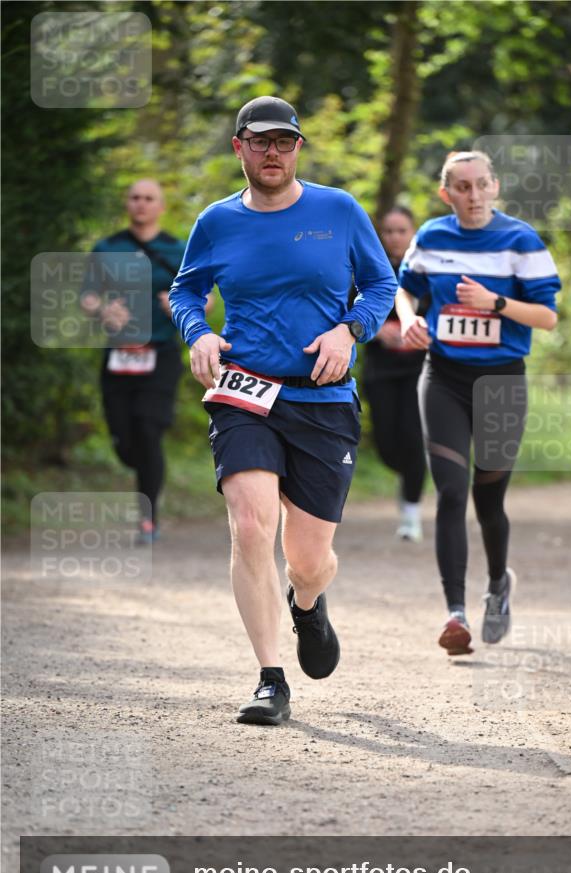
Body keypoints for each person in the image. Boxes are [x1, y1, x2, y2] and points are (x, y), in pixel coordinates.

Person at [169, 96, 397, 725]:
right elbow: (186, 288)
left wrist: (349, 331)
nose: (273, 152)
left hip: (322, 400)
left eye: (284, 142)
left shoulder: (339, 210)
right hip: (246, 393)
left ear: (298, 148)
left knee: (308, 557)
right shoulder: (216, 221)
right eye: (260, 141)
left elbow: (382, 285)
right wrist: (199, 334)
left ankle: (307, 602)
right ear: (238, 147)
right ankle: (271, 678)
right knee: (250, 526)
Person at [396, 150, 561, 655]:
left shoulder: (521, 242)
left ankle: (496, 586)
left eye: (480, 185)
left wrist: (495, 303)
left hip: (502, 382)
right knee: (449, 490)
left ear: (494, 187)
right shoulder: (431, 235)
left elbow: (547, 318)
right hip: (443, 377)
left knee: (488, 500)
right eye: (461, 187)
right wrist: (407, 319)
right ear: (447, 194)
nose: (471, 195)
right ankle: (455, 613)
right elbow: (403, 290)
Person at [81, 180, 211, 542]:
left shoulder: (178, 249)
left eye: (148, 198)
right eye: (135, 198)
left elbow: (207, 300)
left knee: (148, 430)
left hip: (160, 354)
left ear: (161, 206)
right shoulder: (107, 248)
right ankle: (147, 472)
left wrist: (183, 307)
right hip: (117, 354)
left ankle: (148, 519)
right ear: (127, 203)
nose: (141, 204)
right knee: (125, 441)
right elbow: (87, 297)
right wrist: (103, 309)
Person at [363, 207, 427, 542]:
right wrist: (376, 332)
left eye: (402, 230)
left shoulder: (428, 270)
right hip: (381, 369)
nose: (395, 237)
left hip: (421, 371)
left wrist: (420, 330)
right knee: (387, 445)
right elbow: (346, 314)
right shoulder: (368, 270)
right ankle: (411, 473)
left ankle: (411, 514)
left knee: (414, 440)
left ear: (413, 232)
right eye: (389, 231)